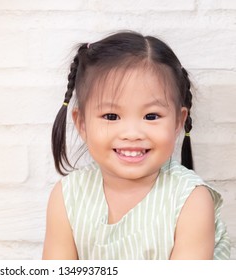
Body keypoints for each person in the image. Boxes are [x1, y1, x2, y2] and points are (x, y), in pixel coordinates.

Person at [42, 31, 231, 260]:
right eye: (111, 116)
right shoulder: (68, 196)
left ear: (178, 122)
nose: (132, 134)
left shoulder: (191, 200)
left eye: (151, 116)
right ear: (82, 124)